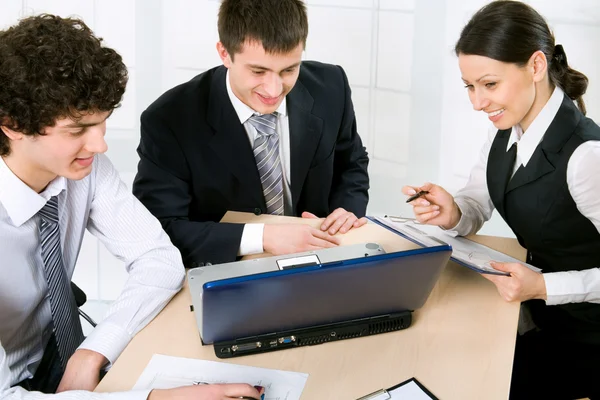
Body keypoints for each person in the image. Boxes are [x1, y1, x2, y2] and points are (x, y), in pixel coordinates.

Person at [0, 14, 263, 400]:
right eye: (77, 130)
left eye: (102, 123)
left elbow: (159, 259)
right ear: (11, 124)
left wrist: (92, 352)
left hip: (56, 355)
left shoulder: (84, 169)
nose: (99, 145)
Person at [403, 1, 600, 399]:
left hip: (586, 335)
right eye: (470, 87)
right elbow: (478, 201)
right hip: (538, 311)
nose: (477, 102)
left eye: (489, 84)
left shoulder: (586, 157)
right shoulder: (510, 128)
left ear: (536, 66)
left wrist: (544, 286)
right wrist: (453, 211)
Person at [133, 0, 370, 267]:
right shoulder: (169, 119)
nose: (274, 90)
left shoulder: (331, 85)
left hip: (324, 260)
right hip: (227, 272)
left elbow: (351, 163)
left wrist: (347, 210)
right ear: (224, 53)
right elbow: (160, 229)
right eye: (258, 71)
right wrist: (262, 237)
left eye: (289, 70)